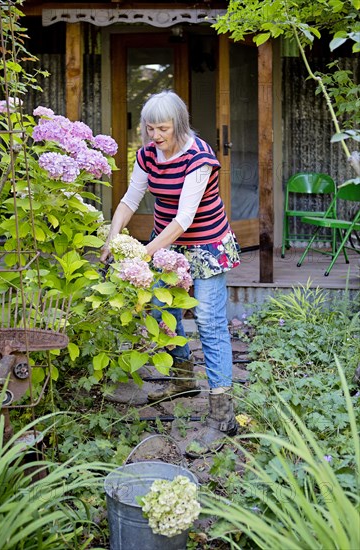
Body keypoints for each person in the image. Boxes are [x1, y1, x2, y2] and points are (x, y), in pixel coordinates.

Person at [100, 90, 241, 457]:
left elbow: (184, 219)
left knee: (209, 323)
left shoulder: (199, 157)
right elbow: (131, 199)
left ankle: (222, 414)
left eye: (161, 129)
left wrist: (144, 254)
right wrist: (112, 239)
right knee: (165, 313)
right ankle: (181, 380)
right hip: (166, 243)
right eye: (149, 129)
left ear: (178, 125)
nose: (154, 136)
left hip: (206, 244)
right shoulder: (147, 155)